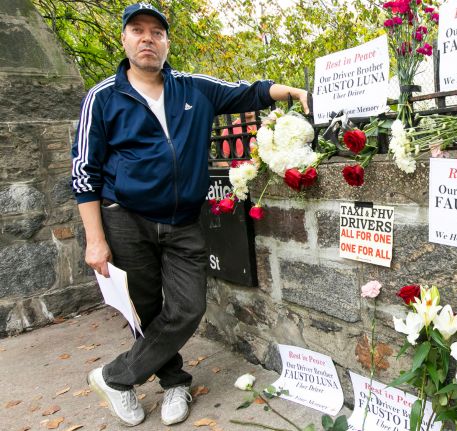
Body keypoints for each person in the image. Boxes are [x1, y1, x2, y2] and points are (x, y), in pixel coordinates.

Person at [71, 3, 308, 427]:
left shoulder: (194, 88)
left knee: (188, 307)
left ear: (166, 42)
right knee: (143, 311)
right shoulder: (103, 97)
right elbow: (84, 173)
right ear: (124, 40)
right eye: (138, 31)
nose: (148, 39)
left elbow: (248, 91)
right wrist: (95, 239)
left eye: (156, 33)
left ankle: (115, 378)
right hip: (126, 218)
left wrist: (291, 92)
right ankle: (174, 381)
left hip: (183, 221)